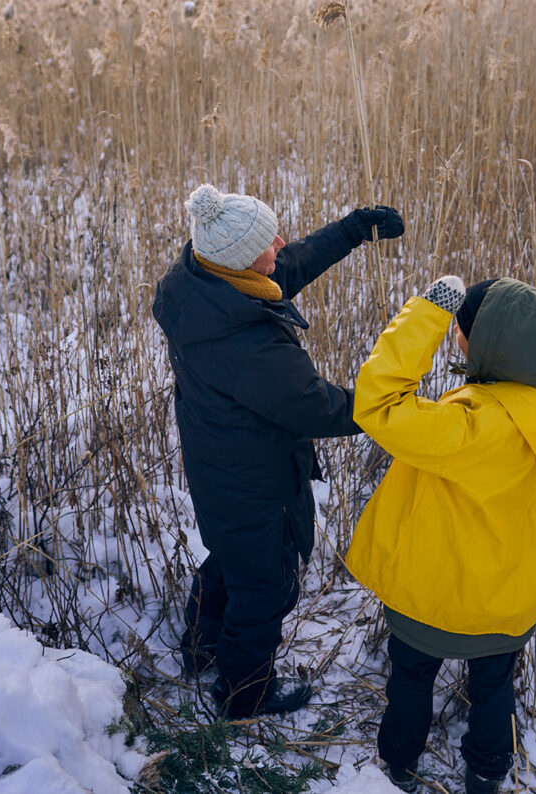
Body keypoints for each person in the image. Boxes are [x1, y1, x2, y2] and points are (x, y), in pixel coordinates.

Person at [345, 276, 536, 793]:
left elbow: (378, 405)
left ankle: (399, 765)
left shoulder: (469, 427)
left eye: (462, 330)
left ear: (490, 348)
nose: (457, 336)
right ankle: (489, 771)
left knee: (412, 680)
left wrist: (428, 313)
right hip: (509, 600)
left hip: (429, 595)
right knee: (494, 688)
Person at [151, 183, 404, 719]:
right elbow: (317, 407)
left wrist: (355, 228)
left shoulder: (206, 284)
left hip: (219, 465)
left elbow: (290, 262)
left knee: (233, 558)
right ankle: (244, 692)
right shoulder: (245, 344)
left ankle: (200, 646)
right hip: (254, 477)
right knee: (265, 587)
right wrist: (387, 404)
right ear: (242, 261)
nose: (280, 246)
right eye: (268, 243)